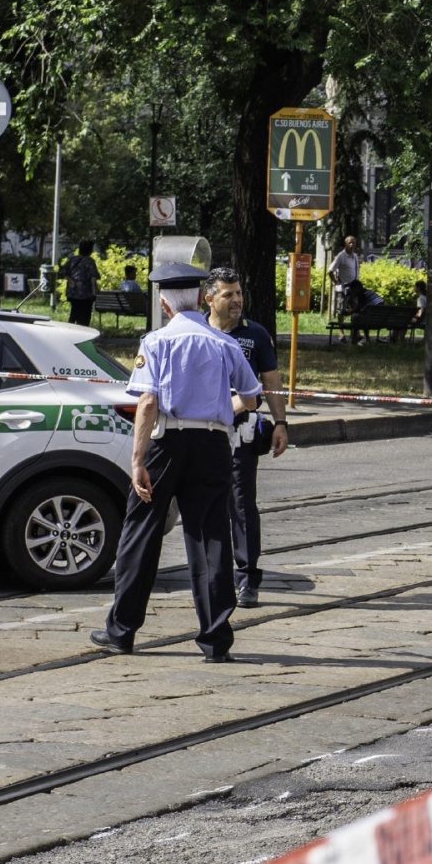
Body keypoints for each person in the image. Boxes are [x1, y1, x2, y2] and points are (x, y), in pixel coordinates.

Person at [90, 262, 261, 663]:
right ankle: (216, 638)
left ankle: (122, 631)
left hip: (167, 441)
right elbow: (250, 399)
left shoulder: (156, 342)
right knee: (211, 536)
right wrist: (219, 408)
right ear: (201, 300)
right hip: (214, 444)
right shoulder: (225, 344)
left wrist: (137, 460)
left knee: (141, 533)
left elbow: (147, 402)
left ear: (165, 305)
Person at [204, 267, 289, 608]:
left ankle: (247, 577)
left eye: (238, 293)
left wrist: (281, 422)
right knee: (205, 503)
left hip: (241, 431)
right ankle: (211, 573)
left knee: (240, 505)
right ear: (209, 298)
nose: (237, 299)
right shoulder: (195, 330)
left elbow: (271, 381)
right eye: (229, 294)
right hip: (202, 430)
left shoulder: (254, 334)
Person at [59, 241, 99, 327]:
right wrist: (95, 290)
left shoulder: (72, 259)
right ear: (90, 250)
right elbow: (93, 277)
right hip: (85, 293)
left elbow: (63, 272)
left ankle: (70, 329)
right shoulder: (90, 261)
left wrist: (71, 281)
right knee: (85, 315)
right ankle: (83, 330)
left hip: (73, 291)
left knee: (74, 312)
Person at [328, 236, 362, 318]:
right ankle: (341, 329)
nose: (351, 245)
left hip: (354, 289)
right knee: (341, 309)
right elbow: (330, 271)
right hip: (343, 288)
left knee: (356, 309)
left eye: (353, 243)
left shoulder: (355, 256)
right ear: (345, 244)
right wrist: (335, 282)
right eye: (349, 243)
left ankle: (355, 328)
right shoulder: (341, 256)